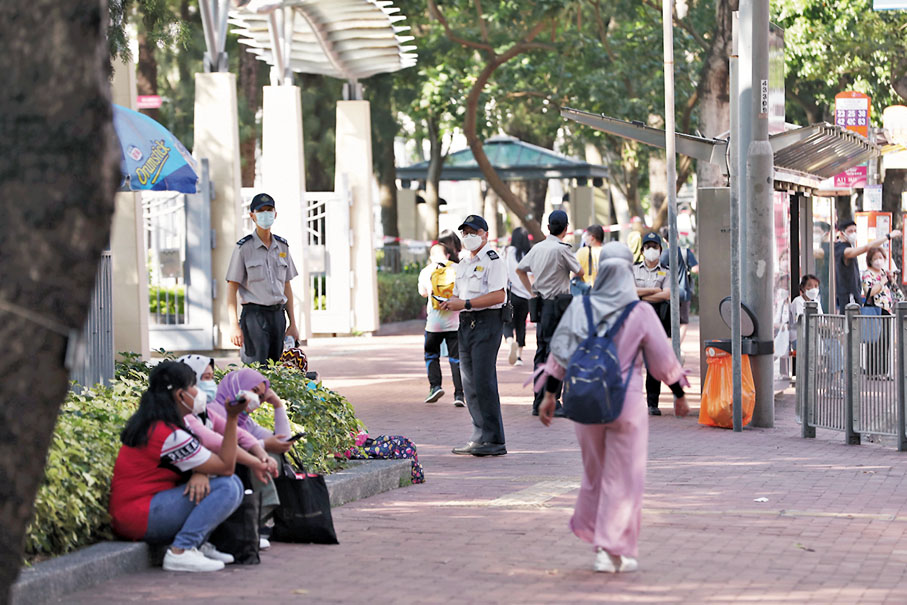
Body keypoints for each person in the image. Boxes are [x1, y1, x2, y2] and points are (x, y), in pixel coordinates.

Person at [536, 242, 689, 573]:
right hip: (627, 404)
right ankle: (612, 547)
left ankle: (599, 541)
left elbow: (559, 353)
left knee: (595, 473)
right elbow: (663, 360)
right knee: (624, 477)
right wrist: (678, 393)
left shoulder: (582, 307)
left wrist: (550, 394)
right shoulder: (641, 312)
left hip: (586, 403)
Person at [109, 361, 244, 572]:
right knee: (227, 486)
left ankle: (196, 545)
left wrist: (201, 472)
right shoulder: (168, 433)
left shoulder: (159, 423)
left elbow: (201, 460)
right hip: (139, 515)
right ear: (181, 395)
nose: (198, 392)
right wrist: (233, 418)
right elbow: (226, 466)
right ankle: (181, 550)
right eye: (194, 385)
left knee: (231, 484)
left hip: (140, 510)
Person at [440, 215, 508, 456]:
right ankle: (479, 435)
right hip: (466, 324)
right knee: (469, 383)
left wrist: (466, 303)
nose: (468, 237)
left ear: (485, 234)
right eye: (465, 233)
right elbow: (460, 295)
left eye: (473, 232)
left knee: (483, 380)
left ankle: (495, 439)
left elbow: (499, 296)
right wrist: (452, 302)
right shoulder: (464, 263)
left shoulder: (494, 260)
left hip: (487, 323)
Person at [211, 368, 295, 549]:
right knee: (265, 454)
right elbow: (224, 445)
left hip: (236, 470)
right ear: (237, 386)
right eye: (254, 391)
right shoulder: (214, 410)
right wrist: (263, 447)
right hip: (218, 469)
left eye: (261, 395)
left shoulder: (245, 421)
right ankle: (256, 520)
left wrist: (278, 405)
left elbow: (283, 441)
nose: (257, 398)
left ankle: (257, 520)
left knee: (273, 454)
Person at [515, 210, 584, 416]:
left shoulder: (537, 248)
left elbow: (520, 270)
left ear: (548, 228)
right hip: (557, 306)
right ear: (565, 228)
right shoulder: (561, 250)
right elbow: (579, 271)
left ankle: (538, 401)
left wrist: (531, 291)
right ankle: (553, 401)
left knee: (541, 352)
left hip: (541, 304)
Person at [177, 355, 278, 484]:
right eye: (206, 378)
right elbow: (214, 442)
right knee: (229, 485)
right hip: (172, 486)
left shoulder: (204, 413)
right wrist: (257, 462)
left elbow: (241, 435)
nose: (211, 384)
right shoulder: (183, 415)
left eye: (212, 378)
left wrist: (262, 455)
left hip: (203, 471)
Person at [226, 192, 300, 364]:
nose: (265, 214)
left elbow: (286, 285)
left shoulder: (282, 246)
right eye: (260, 211)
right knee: (256, 372)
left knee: (280, 371)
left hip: (278, 316)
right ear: (252, 215)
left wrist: (293, 323)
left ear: (275, 214)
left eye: (269, 210)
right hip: (254, 318)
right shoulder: (244, 248)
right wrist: (233, 325)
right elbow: (232, 287)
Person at [417, 243, 465, 406]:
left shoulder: (426, 271)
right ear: (448, 255)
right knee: (456, 359)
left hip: (434, 323)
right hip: (455, 321)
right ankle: (459, 394)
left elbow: (423, 293)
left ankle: (435, 386)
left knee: (431, 354)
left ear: (431, 256)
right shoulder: (458, 269)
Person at [633, 232, 671, 416]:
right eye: (647, 247)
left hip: (657, 319)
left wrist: (642, 293)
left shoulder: (666, 271)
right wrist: (654, 289)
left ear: (660, 249)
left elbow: (667, 294)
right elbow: (629, 292)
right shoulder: (633, 270)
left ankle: (652, 403)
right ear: (642, 251)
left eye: (654, 247)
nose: (651, 250)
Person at [834, 220, 902, 313]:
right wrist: (888, 236)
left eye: (855, 231)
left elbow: (899, 296)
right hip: (847, 299)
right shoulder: (842, 250)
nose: (854, 234)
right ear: (841, 233)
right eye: (850, 231)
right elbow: (867, 247)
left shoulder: (883, 273)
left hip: (856, 299)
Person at [862, 247, 899, 377]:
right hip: (874, 310)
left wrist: (891, 280)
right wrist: (881, 283)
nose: (878, 261)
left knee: (885, 341)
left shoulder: (884, 273)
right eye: (875, 258)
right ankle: (872, 372)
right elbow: (868, 292)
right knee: (873, 341)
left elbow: (898, 295)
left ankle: (883, 371)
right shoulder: (867, 274)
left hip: (886, 311)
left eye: (881, 258)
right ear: (870, 260)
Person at [659, 233, 699, 345]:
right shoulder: (686, 252)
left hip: (667, 294)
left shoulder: (663, 254)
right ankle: (676, 348)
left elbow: (659, 273)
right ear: (677, 237)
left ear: (664, 239)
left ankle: (669, 348)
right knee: (683, 322)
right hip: (683, 292)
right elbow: (696, 269)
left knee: (668, 323)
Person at [503, 227, 532, 366]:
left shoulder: (508, 252)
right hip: (526, 294)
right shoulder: (529, 253)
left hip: (511, 293)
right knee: (521, 325)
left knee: (507, 322)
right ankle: (519, 356)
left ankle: (510, 342)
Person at [789, 274, 823, 353]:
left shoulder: (816, 302)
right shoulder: (798, 301)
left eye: (816, 286)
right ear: (803, 288)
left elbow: (822, 320)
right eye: (809, 286)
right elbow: (801, 321)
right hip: (799, 338)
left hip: (813, 338)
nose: (813, 289)